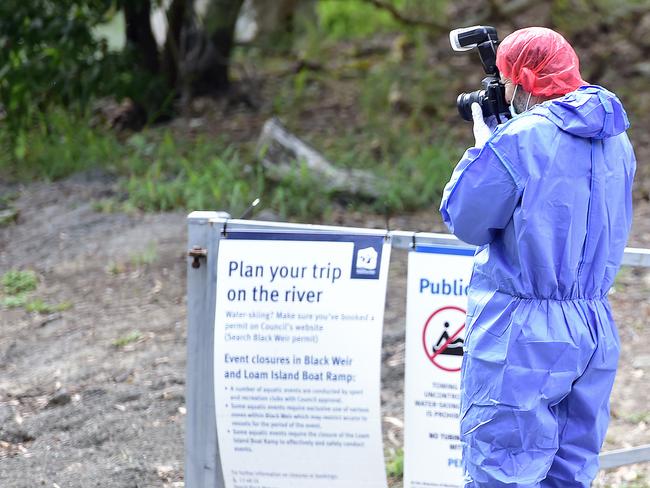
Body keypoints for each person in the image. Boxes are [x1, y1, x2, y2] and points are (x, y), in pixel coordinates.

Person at [439, 27, 636, 487]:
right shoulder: (617, 138)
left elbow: (466, 220)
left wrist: (485, 146)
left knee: (502, 472)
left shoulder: (521, 139)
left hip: (522, 335)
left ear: (523, 81)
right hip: (591, 328)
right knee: (569, 472)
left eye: (508, 82)